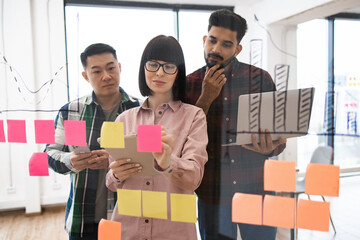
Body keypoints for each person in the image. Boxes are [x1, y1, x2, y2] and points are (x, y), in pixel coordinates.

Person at [186, 9, 287, 240]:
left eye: (226, 44)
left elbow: (280, 139)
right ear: (204, 39)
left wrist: (269, 148)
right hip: (213, 194)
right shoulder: (189, 84)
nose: (216, 50)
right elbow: (184, 140)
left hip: (256, 190)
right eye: (212, 41)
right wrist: (206, 98)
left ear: (237, 48)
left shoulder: (260, 79)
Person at [106, 35, 208, 240]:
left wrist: (168, 162)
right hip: (128, 228)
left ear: (178, 72)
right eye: (153, 65)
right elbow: (110, 182)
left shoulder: (194, 116)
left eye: (169, 66)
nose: (160, 72)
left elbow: (194, 178)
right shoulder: (122, 119)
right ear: (143, 68)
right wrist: (116, 174)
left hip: (174, 230)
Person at [45, 43, 140, 239]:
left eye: (111, 68)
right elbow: (50, 153)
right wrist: (70, 160)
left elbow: (153, 158)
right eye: (97, 71)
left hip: (128, 216)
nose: (106, 76)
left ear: (120, 67)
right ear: (86, 76)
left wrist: (114, 160)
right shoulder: (70, 111)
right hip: (83, 218)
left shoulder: (140, 110)